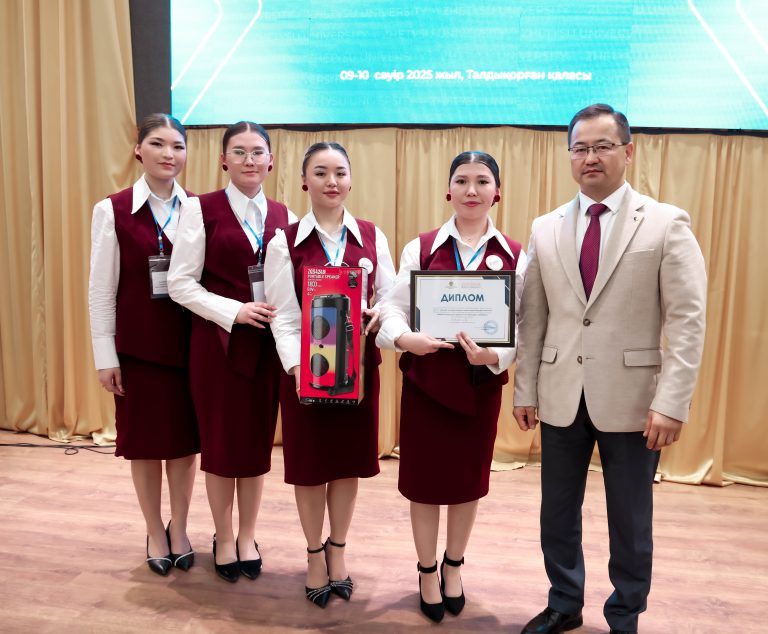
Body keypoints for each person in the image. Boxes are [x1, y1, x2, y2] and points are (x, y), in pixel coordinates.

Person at [513, 104, 707, 634]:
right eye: (580, 148)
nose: (590, 157)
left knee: (630, 519)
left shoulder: (666, 223)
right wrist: (525, 388)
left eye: (602, 146)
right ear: (570, 156)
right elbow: (534, 318)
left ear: (628, 151)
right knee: (556, 513)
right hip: (560, 393)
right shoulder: (545, 227)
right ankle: (564, 601)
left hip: (634, 400)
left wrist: (672, 401)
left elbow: (687, 321)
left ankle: (625, 613)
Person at [376, 151, 526, 623]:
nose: (471, 190)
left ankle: (454, 565)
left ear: (497, 192)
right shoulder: (421, 248)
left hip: (480, 386)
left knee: (466, 484)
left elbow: (524, 323)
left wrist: (495, 356)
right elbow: (392, 308)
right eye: (461, 180)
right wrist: (405, 339)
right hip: (428, 384)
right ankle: (426, 570)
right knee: (424, 485)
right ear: (448, 190)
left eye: (482, 181)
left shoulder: (515, 254)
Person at [264, 142, 396, 608]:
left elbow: (391, 299)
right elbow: (283, 316)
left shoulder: (371, 236)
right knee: (309, 468)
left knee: (345, 465)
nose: (331, 181)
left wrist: (379, 314)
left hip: (357, 374)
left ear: (351, 179)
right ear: (305, 181)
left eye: (340, 172)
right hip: (307, 374)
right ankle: (313, 554)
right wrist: (298, 368)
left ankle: (338, 549)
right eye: (320, 172)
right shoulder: (284, 241)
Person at [167, 121, 296, 583]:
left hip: (267, 348)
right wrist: (234, 311)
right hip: (218, 346)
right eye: (238, 152)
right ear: (223, 160)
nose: (248, 160)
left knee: (257, 446)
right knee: (221, 446)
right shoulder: (199, 209)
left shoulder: (285, 215)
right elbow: (179, 283)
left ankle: (247, 536)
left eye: (257, 151)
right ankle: (223, 537)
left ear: (271, 161)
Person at [88, 113, 199, 576]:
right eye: (157, 143)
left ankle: (180, 527)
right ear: (138, 150)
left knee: (184, 446)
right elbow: (101, 289)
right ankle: (154, 529)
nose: (168, 154)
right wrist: (105, 355)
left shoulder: (198, 209)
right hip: (138, 350)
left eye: (177, 145)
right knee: (145, 446)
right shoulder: (112, 210)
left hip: (191, 347)